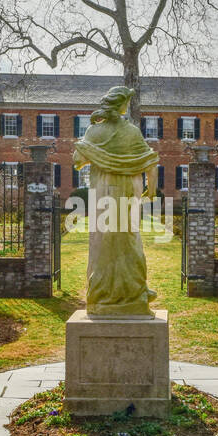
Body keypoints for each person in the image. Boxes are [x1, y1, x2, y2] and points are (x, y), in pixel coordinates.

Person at [72, 85, 160, 316]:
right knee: (129, 242)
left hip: (103, 195)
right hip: (127, 194)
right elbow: (151, 163)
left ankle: (101, 295)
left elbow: (77, 160)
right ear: (122, 105)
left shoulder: (94, 131)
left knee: (103, 244)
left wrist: (95, 151)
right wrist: (152, 189)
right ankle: (135, 290)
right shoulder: (131, 132)